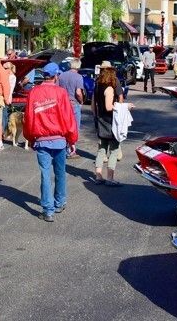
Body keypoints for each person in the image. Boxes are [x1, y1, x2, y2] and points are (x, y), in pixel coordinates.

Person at [23, 62, 78, 222]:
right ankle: (59, 202)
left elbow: (29, 118)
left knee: (45, 174)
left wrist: (30, 138)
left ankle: (48, 210)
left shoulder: (34, 92)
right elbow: (69, 117)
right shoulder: (61, 93)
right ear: (56, 76)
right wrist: (72, 138)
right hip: (60, 139)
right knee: (60, 172)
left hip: (41, 140)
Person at [91, 63, 125, 186]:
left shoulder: (97, 86)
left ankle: (98, 176)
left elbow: (93, 105)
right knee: (114, 150)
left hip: (100, 120)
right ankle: (110, 178)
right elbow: (108, 106)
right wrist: (123, 108)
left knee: (102, 150)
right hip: (110, 121)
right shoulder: (109, 88)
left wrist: (96, 117)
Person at [58, 58, 85, 158]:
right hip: (74, 104)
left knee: (64, 127)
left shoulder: (61, 75)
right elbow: (78, 92)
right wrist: (81, 101)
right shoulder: (78, 77)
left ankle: (63, 149)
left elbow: (58, 89)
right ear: (78, 66)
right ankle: (71, 150)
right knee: (74, 128)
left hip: (63, 104)